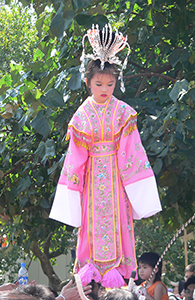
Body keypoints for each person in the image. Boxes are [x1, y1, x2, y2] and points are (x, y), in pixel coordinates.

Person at [50, 23, 162, 289]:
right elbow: (76, 158)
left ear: (116, 83)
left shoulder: (124, 113)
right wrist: (73, 187)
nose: (104, 88)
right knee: (90, 224)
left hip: (117, 179)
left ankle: (118, 273)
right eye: (98, 83)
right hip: (91, 182)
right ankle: (90, 270)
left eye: (110, 84)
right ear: (88, 82)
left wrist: (136, 188)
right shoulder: (81, 115)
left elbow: (132, 152)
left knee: (118, 223)